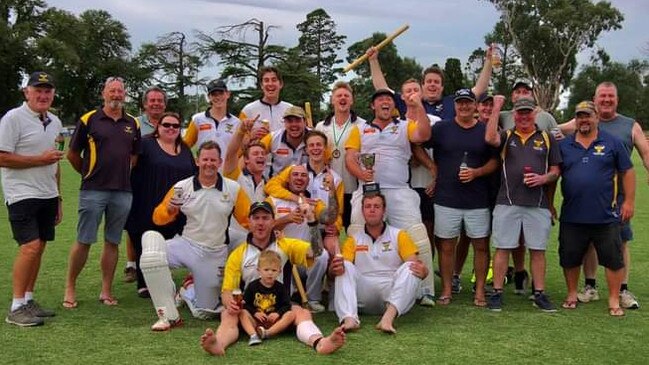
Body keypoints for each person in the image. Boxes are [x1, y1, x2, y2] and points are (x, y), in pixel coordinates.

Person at [200, 201, 345, 356]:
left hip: (282, 311)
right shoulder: (238, 254)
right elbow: (227, 291)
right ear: (249, 221)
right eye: (256, 218)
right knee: (227, 314)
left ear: (273, 221)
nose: (261, 223)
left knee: (302, 312)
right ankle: (219, 345)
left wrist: (311, 220)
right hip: (251, 314)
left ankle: (320, 343)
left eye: (265, 218)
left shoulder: (286, 245)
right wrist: (230, 304)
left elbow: (316, 252)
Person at [140, 141, 251, 330]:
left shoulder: (233, 189)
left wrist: (270, 228)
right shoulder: (182, 187)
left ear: (220, 162)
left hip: (213, 253)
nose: (209, 164)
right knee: (151, 251)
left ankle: (187, 290)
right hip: (186, 244)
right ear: (197, 161)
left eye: (213, 160)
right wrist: (169, 210)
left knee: (205, 312)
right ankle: (168, 315)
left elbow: (248, 219)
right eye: (205, 159)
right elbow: (157, 219)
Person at [560, 82, 649, 309]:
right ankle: (588, 287)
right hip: (576, 208)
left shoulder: (626, 129)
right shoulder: (573, 133)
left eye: (611, 96)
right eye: (603, 96)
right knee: (580, 248)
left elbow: (640, 158)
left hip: (613, 204)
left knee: (619, 246)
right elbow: (556, 131)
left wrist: (629, 200)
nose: (607, 100)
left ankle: (621, 291)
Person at [345, 88, 435, 306]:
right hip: (367, 190)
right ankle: (353, 288)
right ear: (372, 106)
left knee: (417, 237)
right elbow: (350, 158)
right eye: (380, 100)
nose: (385, 102)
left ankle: (424, 289)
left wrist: (419, 106)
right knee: (357, 235)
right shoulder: (360, 129)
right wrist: (361, 174)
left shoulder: (404, 126)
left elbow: (424, 135)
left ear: (394, 106)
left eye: (388, 100)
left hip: (398, 190)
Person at [63, 76, 141, 308]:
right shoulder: (89, 119)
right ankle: (70, 287)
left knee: (112, 241)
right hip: (93, 190)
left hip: (122, 191)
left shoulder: (132, 123)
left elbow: (134, 157)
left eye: (120, 91)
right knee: (84, 239)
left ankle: (106, 290)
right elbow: (73, 155)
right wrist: (88, 174)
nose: (116, 95)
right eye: (112, 91)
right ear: (103, 94)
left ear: (124, 94)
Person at [485, 96, 561, 312]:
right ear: (514, 115)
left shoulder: (547, 138)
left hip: (538, 203)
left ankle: (539, 293)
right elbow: (490, 138)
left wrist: (542, 179)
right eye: (520, 112)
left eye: (528, 112)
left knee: (537, 250)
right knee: (503, 248)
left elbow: (556, 171)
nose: (524, 116)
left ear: (534, 114)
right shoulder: (507, 135)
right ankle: (497, 293)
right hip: (507, 201)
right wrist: (497, 107)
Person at [423, 88, 498, 306]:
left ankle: (480, 291)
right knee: (446, 246)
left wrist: (477, 172)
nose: (464, 106)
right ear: (454, 105)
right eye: (460, 103)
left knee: (481, 246)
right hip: (446, 198)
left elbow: (495, 161)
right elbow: (417, 144)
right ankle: (447, 289)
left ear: (475, 105)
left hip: (478, 199)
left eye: (468, 102)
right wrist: (432, 167)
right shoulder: (441, 128)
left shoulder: (485, 130)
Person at [0, 72, 63, 326]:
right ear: (27, 92)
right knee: (30, 246)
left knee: (41, 247)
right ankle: (15, 307)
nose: (43, 95)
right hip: (21, 193)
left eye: (48, 91)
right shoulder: (13, 118)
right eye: (38, 90)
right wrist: (40, 160)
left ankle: (28, 299)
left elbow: (55, 162)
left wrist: (58, 197)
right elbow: (2, 157)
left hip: (47, 193)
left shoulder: (55, 121)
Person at [330, 194, 429, 334]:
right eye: (368, 207)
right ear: (363, 211)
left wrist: (424, 272)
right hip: (363, 295)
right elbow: (338, 272)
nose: (372, 210)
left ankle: (388, 319)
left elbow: (416, 267)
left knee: (410, 266)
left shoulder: (399, 235)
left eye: (377, 206)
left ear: (384, 211)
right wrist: (334, 269)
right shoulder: (354, 239)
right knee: (344, 265)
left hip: (392, 295)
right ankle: (349, 318)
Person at [124, 112, 196, 298]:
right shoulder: (146, 144)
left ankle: (169, 276)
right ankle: (144, 282)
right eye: (166, 125)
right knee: (146, 241)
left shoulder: (185, 148)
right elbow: (129, 163)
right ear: (158, 127)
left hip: (178, 207)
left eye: (175, 125)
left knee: (171, 243)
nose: (171, 128)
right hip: (146, 201)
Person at [499, 78, 559, 294]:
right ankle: (519, 272)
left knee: (534, 242)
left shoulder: (546, 120)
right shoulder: (503, 117)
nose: (522, 94)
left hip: (538, 194)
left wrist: (550, 199)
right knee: (511, 238)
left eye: (526, 90)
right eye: (518, 91)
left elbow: (555, 160)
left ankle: (536, 285)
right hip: (508, 191)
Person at [265, 163, 338, 312]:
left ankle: (313, 299)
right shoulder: (274, 200)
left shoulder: (313, 203)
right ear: (288, 179)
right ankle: (288, 297)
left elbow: (330, 217)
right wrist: (287, 219)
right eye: (295, 174)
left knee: (322, 255)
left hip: (304, 256)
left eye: (303, 175)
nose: (299, 178)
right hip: (281, 256)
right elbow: (263, 227)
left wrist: (332, 191)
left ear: (308, 181)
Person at [367, 45, 493, 120]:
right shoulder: (408, 102)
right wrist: (373, 60)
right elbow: (382, 88)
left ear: (442, 87)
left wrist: (488, 60)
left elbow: (479, 89)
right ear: (423, 86)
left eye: (436, 82)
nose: (432, 84)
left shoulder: (452, 102)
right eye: (429, 81)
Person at [124, 86, 168, 283]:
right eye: (152, 100)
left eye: (160, 100)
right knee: (135, 223)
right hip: (138, 179)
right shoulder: (135, 124)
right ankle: (132, 265)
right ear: (145, 104)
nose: (156, 104)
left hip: (162, 181)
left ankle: (157, 262)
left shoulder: (170, 124)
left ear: (165, 104)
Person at [315, 81, 365, 229]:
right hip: (327, 188)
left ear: (352, 100)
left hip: (352, 187)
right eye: (338, 96)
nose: (342, 98)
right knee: (328, 230)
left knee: (353, 229)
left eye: (346, 95)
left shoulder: (362, 126)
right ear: (332, 100)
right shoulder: (321, 126)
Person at [223, 119, 269, 249]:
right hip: (230, 236)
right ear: (246, 160)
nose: (260, 156)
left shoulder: (269, 186)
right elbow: (230, 155)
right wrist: (241, 131)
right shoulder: (236, 177)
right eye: (255, 154)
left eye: (263, 154)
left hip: (255, 239)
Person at [241, 250, 295, 346]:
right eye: (266, 270)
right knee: (242, 312)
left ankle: (267, 333)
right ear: (259, 270)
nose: (270, 273)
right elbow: (245, 304)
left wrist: (278, 313)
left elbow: (287, 305)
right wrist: (255, 312)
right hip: (256, 321)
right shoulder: (252, 286)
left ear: (279, 271)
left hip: (273, 322)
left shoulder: (281, 287)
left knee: (291, 314)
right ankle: (253, 335)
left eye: (274, 270)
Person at [183, 79, 240, 156]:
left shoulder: (237, 122)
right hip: (205, 167)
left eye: (221, 93)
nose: (218, 97)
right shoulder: (197, 119)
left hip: (227, 168)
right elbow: (185, 146)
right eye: (214, 94)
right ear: (209, 97)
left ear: (228, 94)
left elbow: (240, 151)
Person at [259, 106, 310, 177]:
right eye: (290, 121)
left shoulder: (315, 138)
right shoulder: (273, 137)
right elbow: (252, 155)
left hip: (307, 184)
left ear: (305, 122)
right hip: (278, 183)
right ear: (284, 123)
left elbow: (327, 161)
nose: (294, 125)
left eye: (298, 121)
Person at [240, 66, 293, 133]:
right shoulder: (248, 110)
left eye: (274, 80)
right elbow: (239, 138)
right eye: (266, 80)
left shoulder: (290, 109)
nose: (270, 84)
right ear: (261, 85)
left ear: (281, 84)